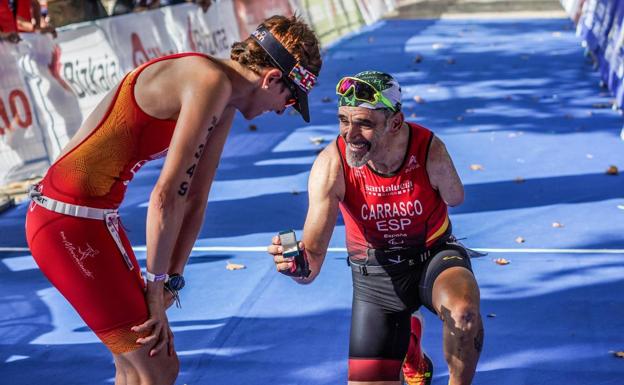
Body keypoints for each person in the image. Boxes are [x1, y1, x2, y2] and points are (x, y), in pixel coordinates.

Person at [25, 14, 321, 385]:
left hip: (90, 220)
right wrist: (154, 287)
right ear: (272, 78)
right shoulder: (208, 82)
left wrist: (172, 281)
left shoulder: (224, 93)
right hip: (68, 223)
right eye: (290, 99)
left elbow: (196, 198)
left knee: (134, 369)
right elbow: (166, 197)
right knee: (158, 367)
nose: (283, 110)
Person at [267, 71, 483, 385]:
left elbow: (456, 197)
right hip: (376, 277)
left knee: (463, 313)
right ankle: (410, 343)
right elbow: (310, 267)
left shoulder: (427, 148)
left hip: (434, 258)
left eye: (365, 124)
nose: (350, 134)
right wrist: (295, 264)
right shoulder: (331, 165)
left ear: (396, 122)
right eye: (343, 120)